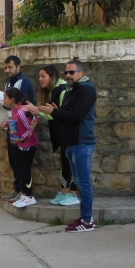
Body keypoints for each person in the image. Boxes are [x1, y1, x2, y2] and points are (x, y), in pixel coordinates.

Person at [37, 60, 97, 232]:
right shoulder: (72, 90)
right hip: (71, 143)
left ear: (81, 73)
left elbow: (77, 115)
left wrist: (55, 112)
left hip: (82, 142)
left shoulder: (86, 90)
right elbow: (65, 113)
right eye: (66, 73)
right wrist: (57, 111)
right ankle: (84, 218)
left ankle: (87, 220)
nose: (68, 75)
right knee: (78, 181)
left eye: (72, 72)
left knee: (83, 182)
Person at [0, 55, 35, 201]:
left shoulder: (22, 82)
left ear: (18, 67)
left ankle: (25, 193)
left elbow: (16, 104)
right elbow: (7, 104)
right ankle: (18, 189)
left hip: (22, 130)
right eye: (5, 67)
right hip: (12, 127)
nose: (7, 70)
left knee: (21, 163)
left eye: (10, 67)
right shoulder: (9, 83)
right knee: (14, 161)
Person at [24, 64, 76, 205]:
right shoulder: (54, 90)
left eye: (43, 76)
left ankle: (73, 194)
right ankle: (64, 192)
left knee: (71, 163)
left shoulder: (62, 89)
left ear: (52, 76)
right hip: (62, 132)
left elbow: (58, 114)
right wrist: (38, 111)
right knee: (66, 161)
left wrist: (36, 110)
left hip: (70, 132)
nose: (40, 79)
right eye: (39, 76)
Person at [1, 87, 38, 208]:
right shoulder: (15, 111)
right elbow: (15, 122)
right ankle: (24, 194)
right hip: (21, 145)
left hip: (28, 145)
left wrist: (21, 139)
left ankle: (29, 196)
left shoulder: (21, 112)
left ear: (12, 99)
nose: (3, 100)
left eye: (5, 98)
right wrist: (7, 123)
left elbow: (31, 128)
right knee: (21, 169)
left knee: (25, 170)